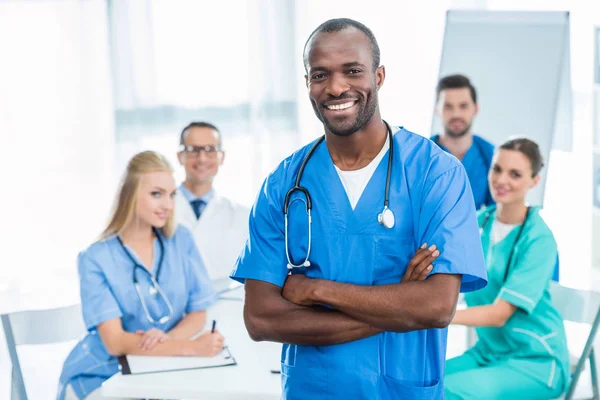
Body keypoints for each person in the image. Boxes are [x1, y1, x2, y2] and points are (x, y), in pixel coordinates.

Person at [230, 18, 487, 399]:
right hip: (313, 389)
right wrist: (398, 303)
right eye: (320, 75)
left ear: (379, 76)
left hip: (401, 389)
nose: (335, 87)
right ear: (307, 84)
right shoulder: (283, 184)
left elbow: (435, 306)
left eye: (352, 71)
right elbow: (261, 319)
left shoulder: (436, 173)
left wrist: (316, 289)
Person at [58, 151, 224, 400]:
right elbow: (115, 342)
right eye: (156, 194)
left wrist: (165, 340)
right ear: (130, 194)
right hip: (105, 372)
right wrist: (190, 347)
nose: (168, 205)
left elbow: (198, 312)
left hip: (162, 367)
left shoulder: (181, 239)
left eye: (171, 195)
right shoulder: (95, 258)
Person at [445, 138, 569, 399]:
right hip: (488, 353)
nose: (502, 180)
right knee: (418, 383)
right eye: (497, 169)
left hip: (535, 361)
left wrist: (435, 316)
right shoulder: (477, 223)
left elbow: (499, 315)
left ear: (534, 181)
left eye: (515, 174)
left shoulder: (539, 239)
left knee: (447, 391)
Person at [176, 122, 250, 280]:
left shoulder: (243, 215)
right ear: (180, 156)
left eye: (210, 150)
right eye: (193, 150)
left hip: (227, 304)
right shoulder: (157, 211)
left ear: (221, 157)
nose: (202, 158)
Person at [431, 74, 495, 210]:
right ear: (437, 109)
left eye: (463, 106)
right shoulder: (423, 155)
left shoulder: (490, 155)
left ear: (475, 109)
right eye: (448, 106)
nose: (456, 114)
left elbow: (496, 212)